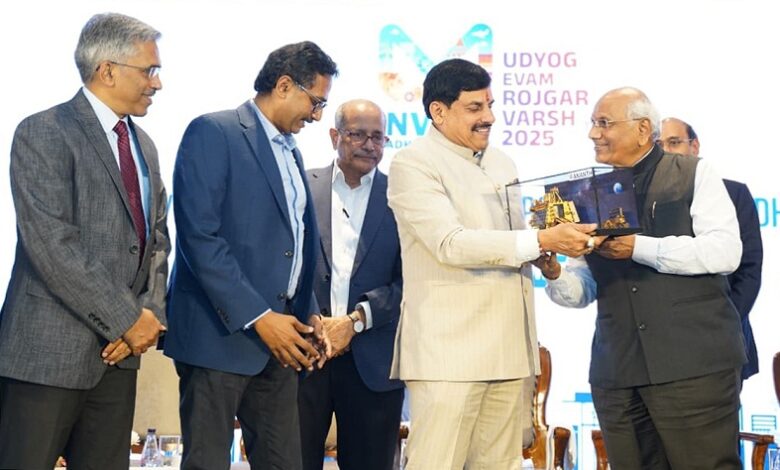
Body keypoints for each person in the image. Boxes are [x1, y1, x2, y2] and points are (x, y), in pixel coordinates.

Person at [386, 58, 595, 470]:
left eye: (490, 105)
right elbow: (449, 243)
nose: (489, 118)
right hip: (450, 356)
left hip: (511, 350)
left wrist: (547, 254)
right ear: (438, 111)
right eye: (475, 108)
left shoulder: (502, 163)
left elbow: (515, 242)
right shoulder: (413, 163)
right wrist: (539, 239)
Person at [543, 87, 746, 469]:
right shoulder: (589, 193)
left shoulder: (693, 173)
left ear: (641, 129)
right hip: (618, 373)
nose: (593, 133)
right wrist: (552, 270)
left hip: (693, 368)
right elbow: (583, 287)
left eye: (604, 123)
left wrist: (639, 247)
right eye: (593, 123)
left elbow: (724, 252)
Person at [0, 12, 169, 469]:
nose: (157, 83)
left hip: (119, 361)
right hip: (47, 358)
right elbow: (52, 244)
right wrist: (126, 319)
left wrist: (149, 316)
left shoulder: (145, 145)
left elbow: (157, 241)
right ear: (107, 69)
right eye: (149, 70)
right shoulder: (43, 132)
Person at [163, 41, 337, 470]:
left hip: (280, 345)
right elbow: (200, 237)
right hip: (218, 339)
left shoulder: (291, 149)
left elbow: (293, 243)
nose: (317, 116)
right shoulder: (213, 132)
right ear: (284, 85)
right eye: (316, 102)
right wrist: (259, 317)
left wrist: (308, 311)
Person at [298, 99, 404, 470]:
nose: (369, 145)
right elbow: (281, 263)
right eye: (358, 135)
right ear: (335, 136)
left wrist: (356, 320)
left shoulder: (402, 198)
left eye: (378, 137)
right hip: (304, 353)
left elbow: (411, 280)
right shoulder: (301, 187)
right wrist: (314, 317)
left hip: (373, 363)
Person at [659, 117, 763, 382]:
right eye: (659, 145)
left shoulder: (734, 193)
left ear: (694, 147)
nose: (666, 152)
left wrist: (722, 324)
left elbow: (749, 270)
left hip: (723, 339)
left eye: (674, 142)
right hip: (660, 343)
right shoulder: (642, 198)